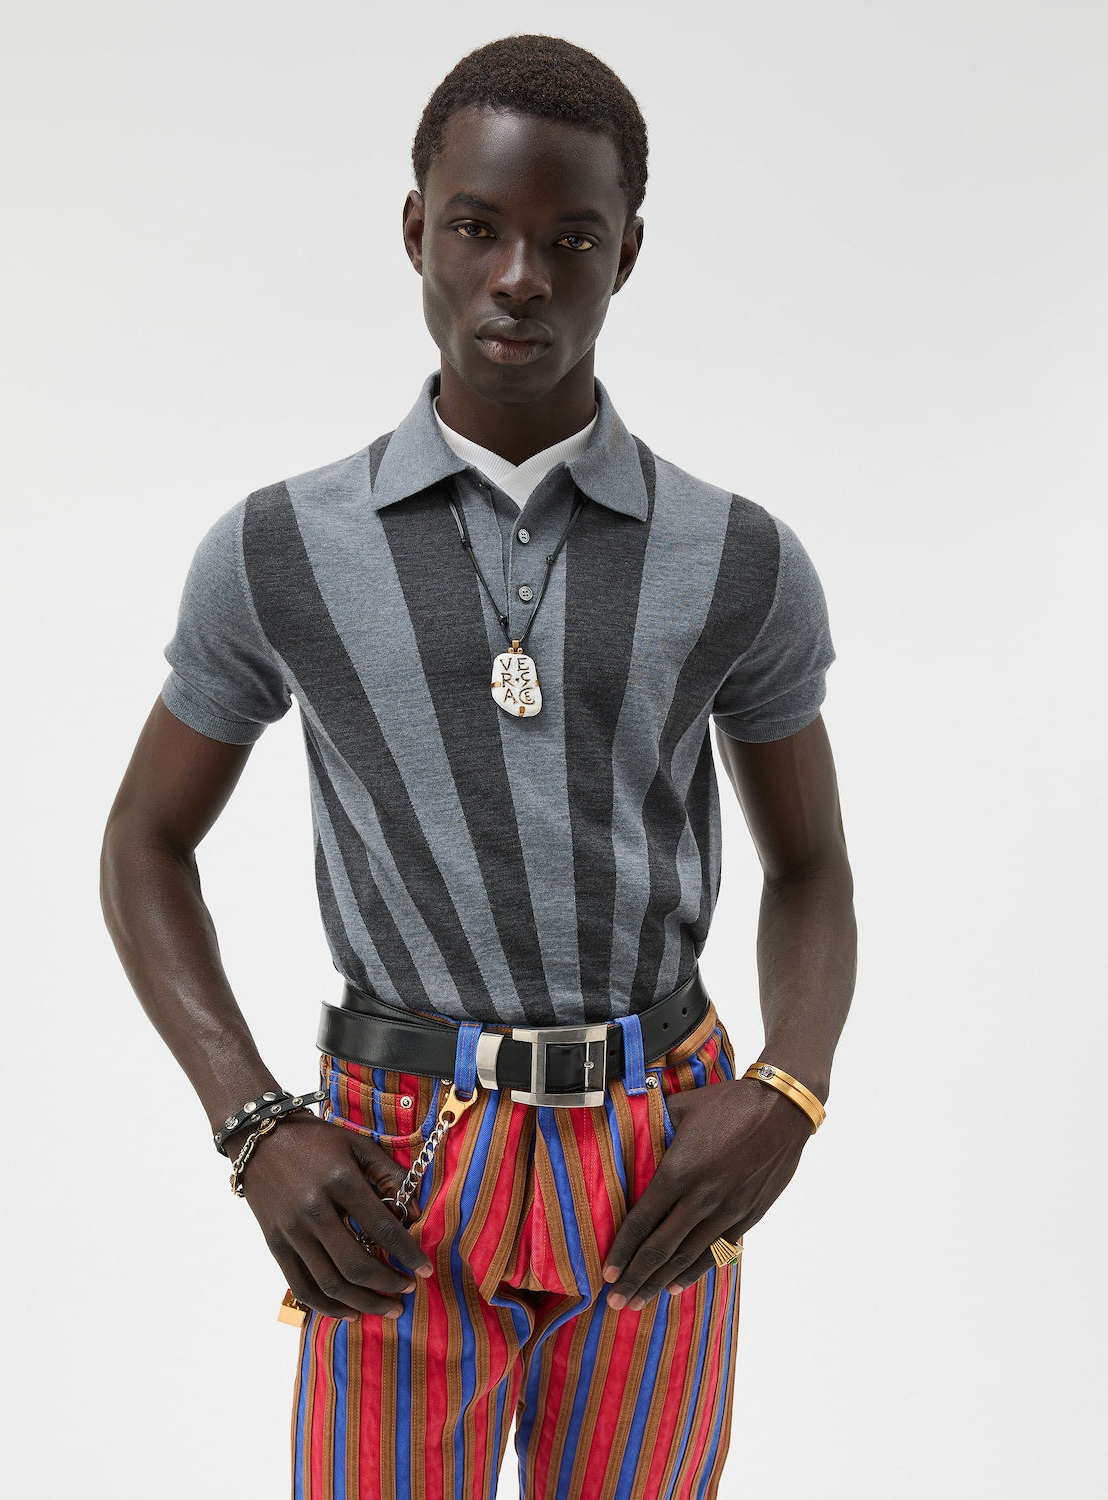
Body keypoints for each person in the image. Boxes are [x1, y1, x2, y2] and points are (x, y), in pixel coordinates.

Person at [101, 34, 856, 1500]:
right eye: (477, 227)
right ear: (415, 231)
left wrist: (790, 1089)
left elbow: (813, 863)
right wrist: (252, 1123)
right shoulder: (277, 550)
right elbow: (145, 843)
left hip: (660, 1150)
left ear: (627, 253)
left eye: (570, 238)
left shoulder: (741, 560)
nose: (520, 276)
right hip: (392, 1161)